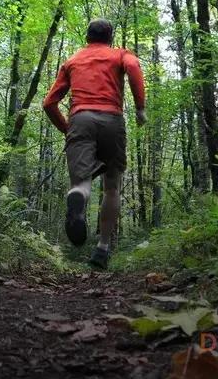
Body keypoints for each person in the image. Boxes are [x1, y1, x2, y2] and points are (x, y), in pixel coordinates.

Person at [42, 18, 146, 269]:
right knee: (112, 187)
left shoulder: (73, 61)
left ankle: (77, 198)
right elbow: (133, 67)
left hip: (80, 119)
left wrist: (68, 130)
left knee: (81, 183)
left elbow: (48, 103)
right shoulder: (120, 54)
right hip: (112, 119)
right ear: (110, 38)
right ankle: (102, 248)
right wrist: (140, 108)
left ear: (87, 37)